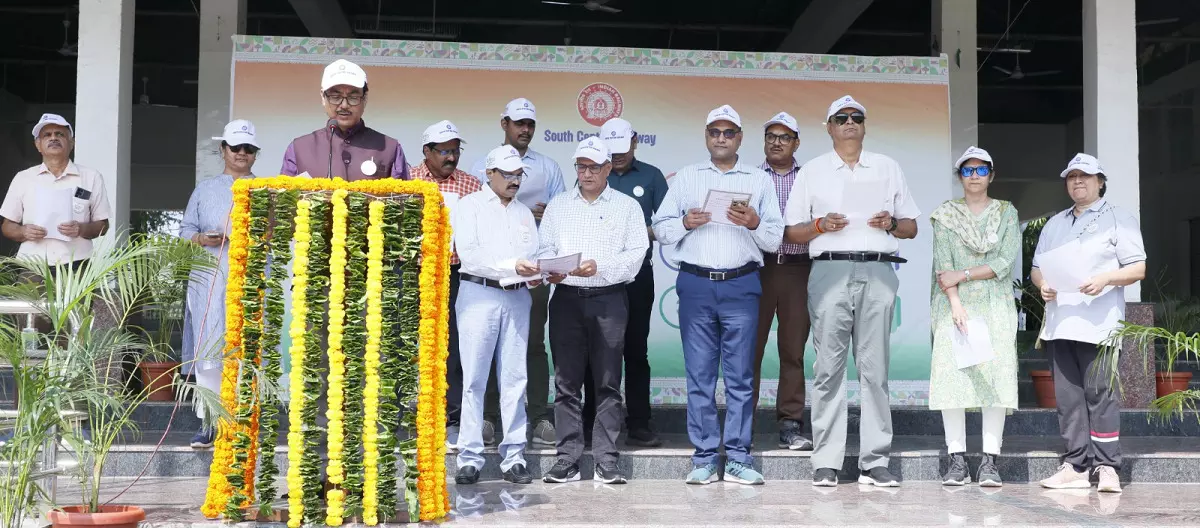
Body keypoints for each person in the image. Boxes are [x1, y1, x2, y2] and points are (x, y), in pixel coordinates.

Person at [783, 95, 920, 488]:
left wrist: (891, 223)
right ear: (828, 127)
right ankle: (826, 460)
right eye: (840, 118)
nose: (848, 123)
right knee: (828, 368)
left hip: (878, 268)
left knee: (875, 369)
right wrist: (821, 225)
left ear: (864, 126)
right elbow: (792, 232)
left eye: (855, 118)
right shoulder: (811, 171)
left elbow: (911, 227)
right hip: (830, 268)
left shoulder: (887, 167)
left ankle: (874, 460)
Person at [651, 105, 783, 486]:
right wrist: (684, 222)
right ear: (706, 136)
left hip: (741, 284)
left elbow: (774, 238)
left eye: (729, 132)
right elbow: (660, 229)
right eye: (715, 132)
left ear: (740, 137)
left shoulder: (759, 180)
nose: (721, 138)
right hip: (696, 285)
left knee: (741, 377)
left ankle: (739, 457)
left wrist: (755, 222)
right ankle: (706, 457)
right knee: (700, 375)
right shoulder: (688, 177)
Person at [1033, 153, 1145, 494]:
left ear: (1100, 182)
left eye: (1085, 176)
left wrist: (1106, 278)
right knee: (1068, 399)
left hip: (1100, 324)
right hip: (1060, 324)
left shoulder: (1118, 219)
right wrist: (1042, 285)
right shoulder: (1054, 224)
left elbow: (1138, 268)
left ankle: (1108, 467)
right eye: (1072, 177)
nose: (1077, 181)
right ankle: (1075, 466)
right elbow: (1037, 267)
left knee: (1101, 396)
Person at [539, 137, 648, 484]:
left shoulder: (627, 207)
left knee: (607, 382)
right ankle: (567, 458)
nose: (585, 173)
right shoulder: (558, 206)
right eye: (580, 166)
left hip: (609, 299)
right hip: (567, 298)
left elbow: (634, 257)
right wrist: (551, 269)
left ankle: (606, 459)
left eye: (592, 167)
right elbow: (545, 247)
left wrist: (597, 269)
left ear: (606, 169)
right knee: (566, 382)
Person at [470, 98, 566, 448]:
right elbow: (477, 214)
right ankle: (490, 419)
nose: (524, 130)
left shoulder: (548, 167)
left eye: (530, 124)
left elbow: (561, 216)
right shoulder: (483, 164)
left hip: (533, 272)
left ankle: (539, 417)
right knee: (491, 345)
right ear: (504, 124)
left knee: (533, 345)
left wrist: (545, 214)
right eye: (518, 123)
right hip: (491, 274)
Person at [929, 146, 1020, 486]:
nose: (975, 176)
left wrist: (962, 275)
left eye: (982, 170)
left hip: (995, 306)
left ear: (991, 176)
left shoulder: (1006, 213)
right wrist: (954, 301)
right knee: (952, 380)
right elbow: (943, 266)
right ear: (960, 178)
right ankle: (956, 461)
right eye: (968, 171)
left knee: (994, 380)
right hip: (953, 305)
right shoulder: (945, 215)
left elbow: (1003, 262)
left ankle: (989, 462)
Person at [452, 145, 542, 485]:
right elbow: (471, 255)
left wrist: (541, 270)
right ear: (489, 173)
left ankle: (514, 456)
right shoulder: (469, 206)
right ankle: (470, 458)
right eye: (508, 174)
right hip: (479, 293)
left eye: (519, 174)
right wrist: (513, 266)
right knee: (474, 378)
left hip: (518, 297)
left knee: (515, 378)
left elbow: (532, 255)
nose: (515, 180)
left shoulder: (524, 213)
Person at [581, 117, 668, 448]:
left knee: (635, 349)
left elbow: (667, 225)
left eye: (622, 149)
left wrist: (635, 235)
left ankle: (640, 423)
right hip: (596, 277)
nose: (617, 157)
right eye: (610, 151)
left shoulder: (652, 176)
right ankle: (591, 420)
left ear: (634, 141)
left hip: (636, 276)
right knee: (596, 350)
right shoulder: (592, 176)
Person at [179, 119, 260, 448]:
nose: (242, 153)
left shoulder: (267, 187)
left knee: (246, 349)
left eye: (248, 148)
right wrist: (202, 237)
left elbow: (279, 232)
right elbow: (185, 232)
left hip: (251, 276)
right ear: (223, 150)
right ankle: (209, 421)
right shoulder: (205, 189)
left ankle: (243, 422)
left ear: (255, 154)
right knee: (209, 350)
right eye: (235, 147)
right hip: (209, 278)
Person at [410, 120, 482, 453]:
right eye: (443, 151)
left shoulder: (471, 183)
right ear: (426, 152)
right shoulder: (407, 179)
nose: (450, 157)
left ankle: (451, 420)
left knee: (450, 347)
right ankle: (411, 419)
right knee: (413, 346)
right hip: (414, 274)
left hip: (455, 275)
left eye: (455, 150)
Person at [752, 111, 813, 451]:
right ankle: (741, 424)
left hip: (798, 268)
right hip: (756, 269)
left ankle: (790, 423)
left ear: (796, 143)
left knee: (793, 350)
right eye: (771, 136)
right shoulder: (749, 177)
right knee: (749, 350)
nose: (776, 142)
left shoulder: (809, 178)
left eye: (784, 137)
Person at [1, 113, 110, 269]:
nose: (53, 138)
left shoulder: (91, 177)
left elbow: (103, 225)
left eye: (60, 134)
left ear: (71, 143)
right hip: (32, 264)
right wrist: (23, 231)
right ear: (38, 145)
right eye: (47, 135)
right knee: (27, 295)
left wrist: (81, 229)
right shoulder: (23, 178)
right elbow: (7, 226)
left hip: (77, 264)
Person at [280, 59, 409, 180]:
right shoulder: (299, 148)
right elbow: (285, 200)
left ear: (365, 98)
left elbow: (405, 199)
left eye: (353, 97)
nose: (344, 105)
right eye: (335, 96)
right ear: (322, 97)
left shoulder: (389, 148)